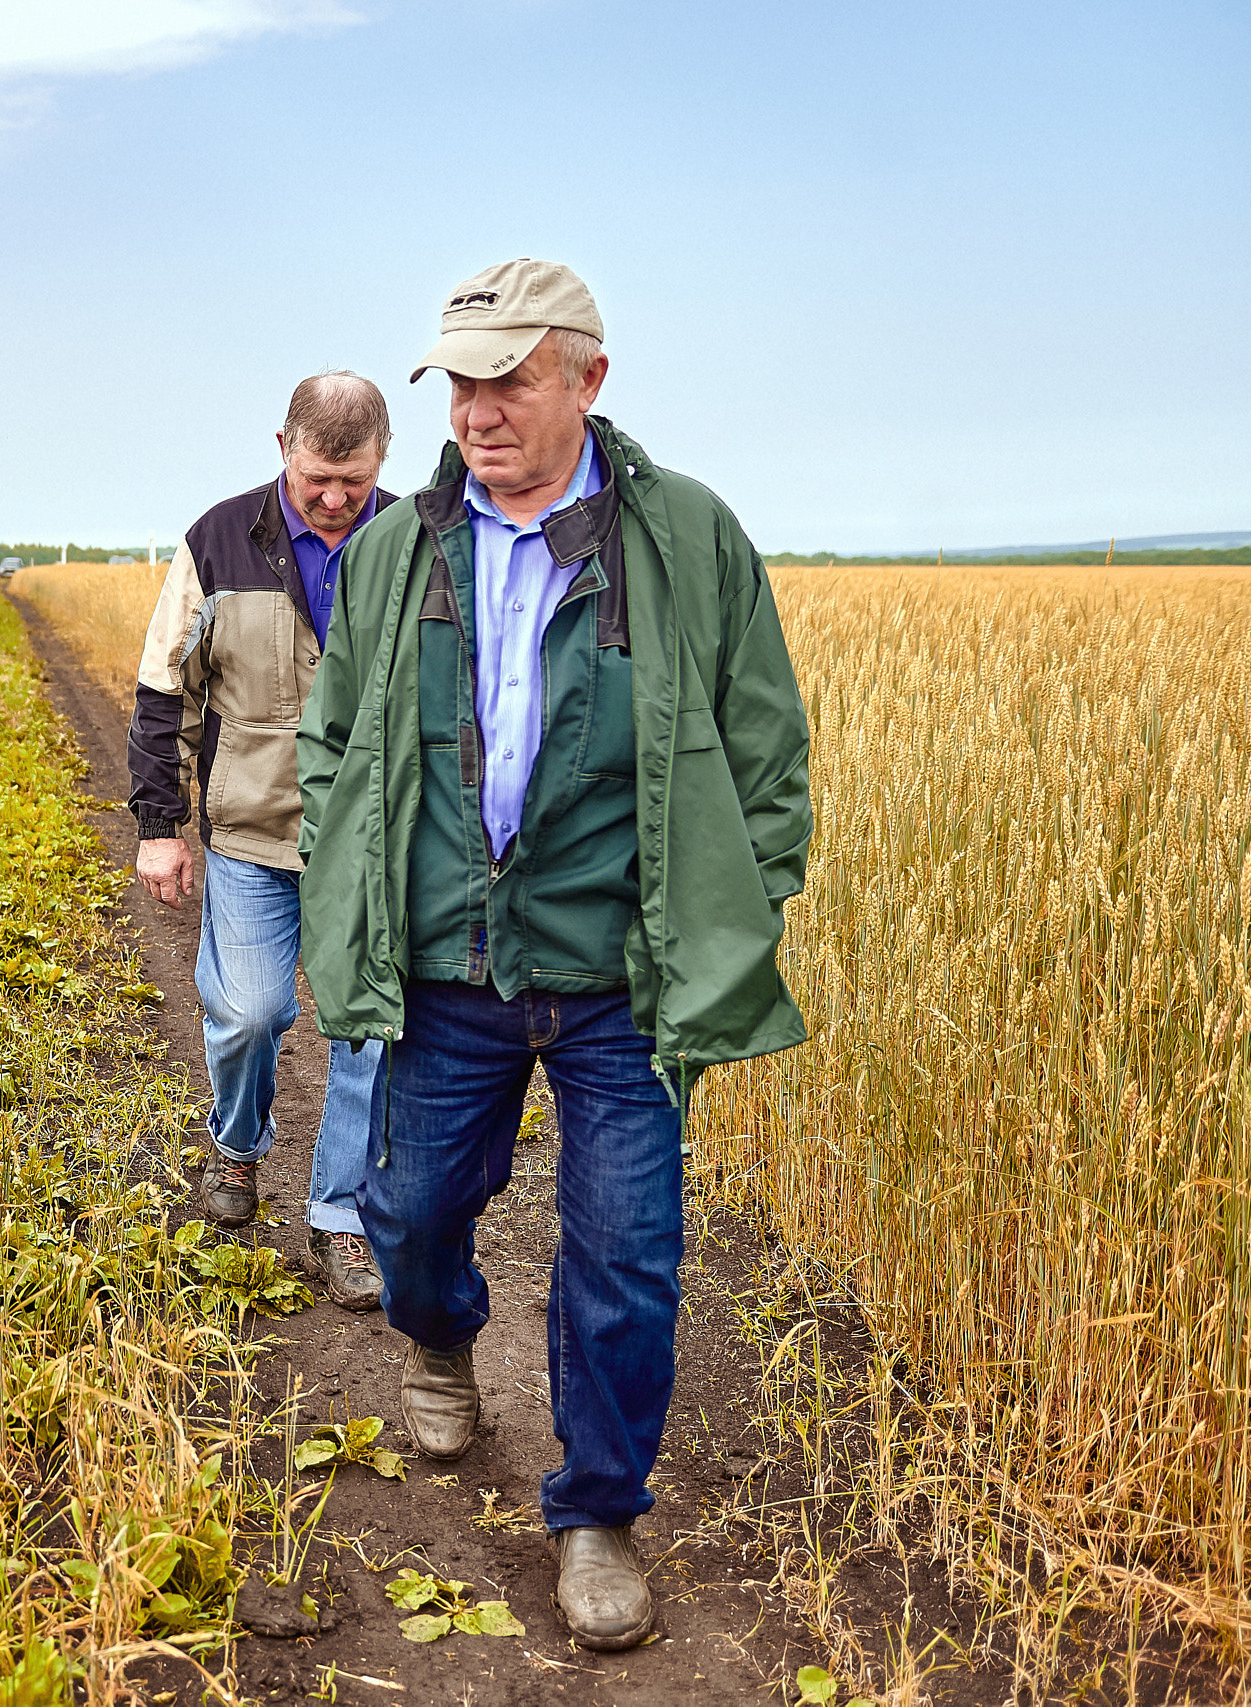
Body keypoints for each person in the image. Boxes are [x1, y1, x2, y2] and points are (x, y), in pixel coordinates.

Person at [296, 260, 813, 1650]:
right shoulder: (400, 549)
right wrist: (349, 895)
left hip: (619, 982)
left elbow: (764, 750)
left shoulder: (686, 536)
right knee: (407, 1216)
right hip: (449, 969)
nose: (476, 410)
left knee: (626, 1259)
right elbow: (335, 743)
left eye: (507, 380)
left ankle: (596, 1511)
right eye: (458, 384)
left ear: (588, 378)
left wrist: (734, 912)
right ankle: (441, 1333)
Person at [128, 373, 398, 1309]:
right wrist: (160, 826)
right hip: (250, 830)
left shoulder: (416, 543)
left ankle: (339, 1218)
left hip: (373, 840)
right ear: (283, 447)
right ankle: (237, 1148)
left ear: (383, 459)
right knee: (248, 1012)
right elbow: (163, 688)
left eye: (355, 482)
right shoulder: (217, 539)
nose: (336, 499)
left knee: (368, 1033)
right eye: (318, 477)